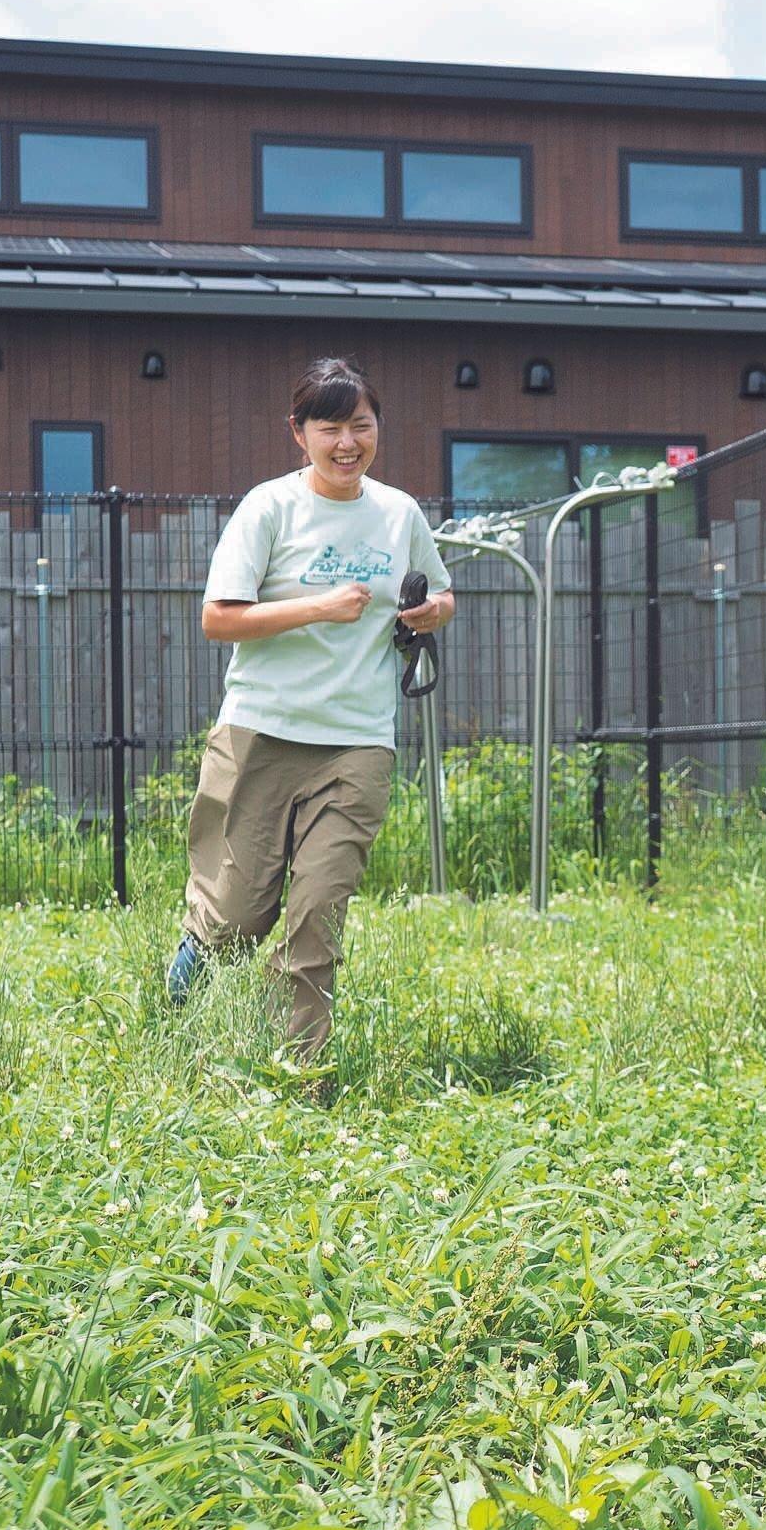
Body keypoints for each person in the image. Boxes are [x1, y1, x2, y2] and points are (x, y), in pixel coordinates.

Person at [167, 356, 453, 1069]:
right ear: (299, 432)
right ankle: (180, 1001)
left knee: (318, 911)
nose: (348, 442)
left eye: (361, 424)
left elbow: (442, 596)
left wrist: (429, 611)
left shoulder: (399, 512)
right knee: (234, 914)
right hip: (261, 730)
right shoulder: (269, 507)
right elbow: (218, 618)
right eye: (331, 427)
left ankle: (299, 1071)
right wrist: (321, 607)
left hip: (357, 740)